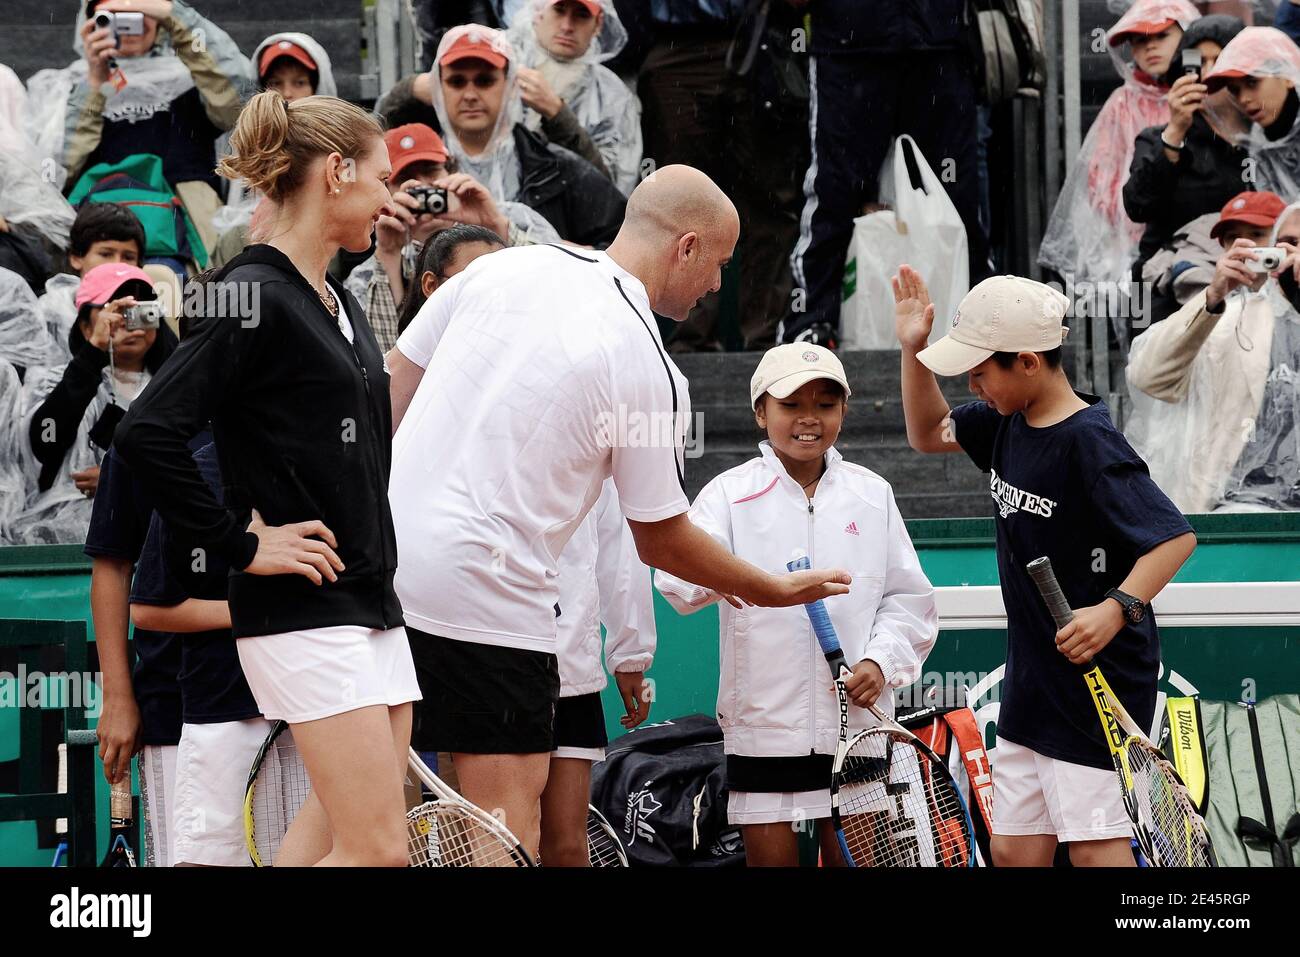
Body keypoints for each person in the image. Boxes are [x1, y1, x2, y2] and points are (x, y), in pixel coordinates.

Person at [385, 164, 852, 860]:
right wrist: (771, 587)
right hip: (489, 599)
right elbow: (661, 538)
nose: (718, 286)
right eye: (719, 264)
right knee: (503, 837)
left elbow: (386, 397)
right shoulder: (648, 364)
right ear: (686, 247)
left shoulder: (497, 269)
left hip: (385, 570)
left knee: (359, 832)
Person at [114, 91, 417, 867]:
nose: (391, 198)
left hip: (369, 603)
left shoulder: (339, 298)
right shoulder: (248, 290)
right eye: (382, 178)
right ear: (338, 172)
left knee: (339, 842)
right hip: (305, 613)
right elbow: (148, 432)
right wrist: (242, 546)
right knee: (379, 851)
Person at [894, 265, 1196, 866]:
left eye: (982, 372)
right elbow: (927, 433)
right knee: (1012, 850)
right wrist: (913, 350)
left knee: (1095, 852)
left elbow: (1173, 539)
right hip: (1033, 679)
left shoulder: (1091, 442)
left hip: (1099, 685)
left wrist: (1115, 610)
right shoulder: (1005, 420)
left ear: (1028, 363)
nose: (974, 386)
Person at [655, 343, 937, 867]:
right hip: (762, 722)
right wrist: (744, 580)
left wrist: (880, 662)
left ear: (844, 411)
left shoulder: (873, 495)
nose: (809, 419)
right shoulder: (728, 494)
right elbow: (675, 581)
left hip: (858, 725)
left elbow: (909, 601)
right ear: (761, 411)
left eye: (826, 405)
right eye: (791, 405)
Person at [784, 0, 990, 349]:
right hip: (850, 43)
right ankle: (812, 321)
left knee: (957, 195)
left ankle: (982, 316)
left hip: (939, 41)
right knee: (834, 191)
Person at [129, 438, 270, 868]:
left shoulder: (325, 463)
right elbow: (149, 609)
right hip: (222, 714)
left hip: (311, 713)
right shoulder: (197, 474)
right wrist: (260, 613)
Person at [637, 0, 807, 352]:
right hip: (676, 43)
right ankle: (687, 334)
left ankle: (764, 341)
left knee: (771, 203)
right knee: (677, 202)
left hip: (761, 37)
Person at [1040, 0, 1200, 350]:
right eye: (1140, 40)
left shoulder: (1209, 96)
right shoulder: (1122, 103)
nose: (1151, 46)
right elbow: (1100, 180)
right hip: (1136, 246)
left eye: (1161, 34)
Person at [375, 25, 626, 246]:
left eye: (484, 81)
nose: (470, 94)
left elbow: (619, 245)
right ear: (438, 90)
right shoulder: (414, 167)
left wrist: (558, 252)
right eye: (456, 82)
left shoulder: (559, 168)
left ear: (510, 85)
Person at [1127, 197, 1300, 512]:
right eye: (1232, 239)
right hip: (1242, 508)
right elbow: (1148, 376)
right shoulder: (1225, 319)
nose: (1246, 247)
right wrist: (1213, 296)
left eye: (1295, 243)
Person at [67, 0, 254, 257]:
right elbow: (57, 170)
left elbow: (241, 105)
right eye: (113, 14)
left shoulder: (194, 78)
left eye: (139, 11)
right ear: (90, 23)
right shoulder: (70, 85)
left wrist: (177, 18)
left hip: (189, 235)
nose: (129, 22)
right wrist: (94, 86)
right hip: (100, 238)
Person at [344, 123, 550, 351]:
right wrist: (389, 255)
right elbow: (381, 362)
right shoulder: (366, 274)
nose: (424, 187)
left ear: (452, 173)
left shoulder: (513, 216)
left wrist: (495, 226)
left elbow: (561, 287)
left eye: (431, 172)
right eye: (406, 178)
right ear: (387, 190)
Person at [18, 263, 175, 547]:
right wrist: (94, 352)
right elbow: (43, 442)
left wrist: (125, 479)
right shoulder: (52, 380)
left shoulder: (177, 389)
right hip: (58, 538)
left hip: (152, 537)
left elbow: (197, 462)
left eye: (143, 309)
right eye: (117, 311)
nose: (132, 320)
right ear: (86, 324)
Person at [541, 478, 655, 865]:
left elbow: (620, 555)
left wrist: (630, 656)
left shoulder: (595, 449)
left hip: (570, 675)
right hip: (483, 668)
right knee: (505, 838)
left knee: (568, 846)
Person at [1123, 15, 1248, 280]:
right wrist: (1175, 132)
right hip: (1173, 292)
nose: (1209, 72)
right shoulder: (1159, 138)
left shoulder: (1269, 142)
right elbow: (1137, 206)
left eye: (1221, 60)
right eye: (1198, 63)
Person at [210, 33, 339, 265]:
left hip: (322, 236)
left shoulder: (342, 142)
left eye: (299, 83)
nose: (287, 93)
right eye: (275, 84)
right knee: (232, 240)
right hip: (256, 238)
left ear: (318, 87)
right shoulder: (245, 140)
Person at [507, 0, 642, 194]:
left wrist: (558, 114)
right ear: (538, 11)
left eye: (582, 14)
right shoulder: (496, 64)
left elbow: (611, 190)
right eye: (559, 10)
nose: (567, 26)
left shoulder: (614, 98)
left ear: (599, 24)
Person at [1203, 26, 1300, 202]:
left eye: (1252, 82)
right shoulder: (1256, 147)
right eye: (1234, 90)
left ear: (1287, 75)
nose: (1243, 99)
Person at [394, 223, 505, 337]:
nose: (490, 296)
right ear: (431, 286)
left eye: (503, 284)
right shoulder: (404, 352)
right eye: (474, 281)